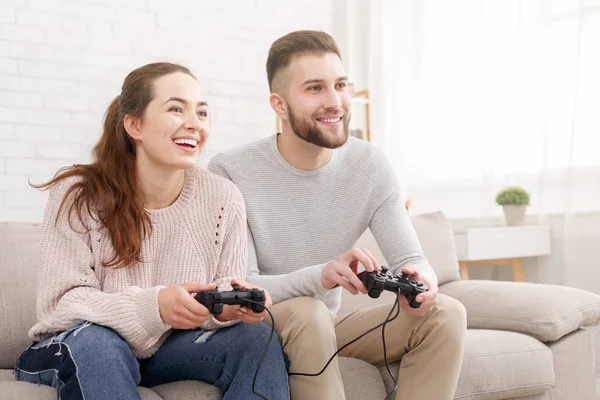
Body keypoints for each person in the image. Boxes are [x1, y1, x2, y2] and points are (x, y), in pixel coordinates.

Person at [208, 31, 467, 400]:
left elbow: (412, 258)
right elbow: (246, 286)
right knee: (309, 313)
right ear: (279, 105)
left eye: (340, 85)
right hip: (261, 324)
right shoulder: (231, 170)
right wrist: (323, 274)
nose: (336, 102)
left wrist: (421, 281)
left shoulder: (369, 164)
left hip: (325, 327)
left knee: (446, 313)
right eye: (315, 88)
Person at [14, 62, 289, 400]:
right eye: (176, 108)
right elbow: (60, 305)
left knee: (256, 340)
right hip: (73, 343)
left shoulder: (223, 198)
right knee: (99, 342)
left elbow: (220, 284)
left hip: (165, 349)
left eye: (202, 113)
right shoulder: (78, 193)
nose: (194, 123)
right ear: (134, 124)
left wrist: (226, 306)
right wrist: (153, 306)